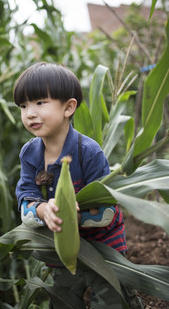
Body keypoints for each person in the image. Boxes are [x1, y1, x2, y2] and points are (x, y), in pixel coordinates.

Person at [13, 62, 144, 309]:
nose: (29, 113)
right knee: (63, 301)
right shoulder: (29, 153)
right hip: (60, 250)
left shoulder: (88, 152)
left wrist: (74, 215)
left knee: (113, 301)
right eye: (23, 105)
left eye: (40, 103)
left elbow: (106, 210)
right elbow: (26, 199)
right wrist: (43, 211)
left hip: (103, 247)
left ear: (68, 107)